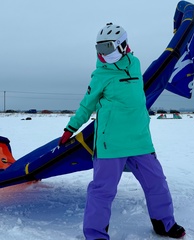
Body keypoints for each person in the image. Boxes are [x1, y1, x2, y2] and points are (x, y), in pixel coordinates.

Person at [59, 23, 185, 240]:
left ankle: (164, 224)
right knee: (102, 191)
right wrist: (70, 128)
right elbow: (86, 104)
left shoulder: (134, 64)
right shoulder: (100, 75)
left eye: (107, 48)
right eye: (99, 48)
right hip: (111, 143)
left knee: (157, 183)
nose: (102, 53)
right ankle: (95, 234)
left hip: (140, 140)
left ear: (122, 45)